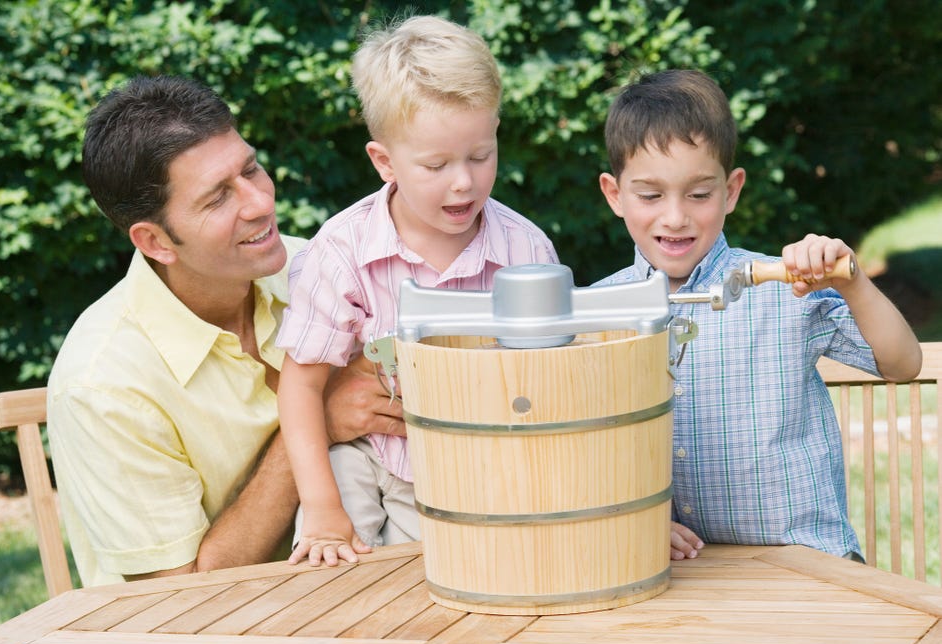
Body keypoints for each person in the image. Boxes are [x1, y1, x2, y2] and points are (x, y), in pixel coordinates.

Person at [47, 75, 403, 586]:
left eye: (251, 169)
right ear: (155, 240)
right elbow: (178, 597)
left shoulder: (325, 271)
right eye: (217, 198)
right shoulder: (100, 386)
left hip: (357, 589)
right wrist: (314, 419)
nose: (259, 202)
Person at [593, 69, 922, 562]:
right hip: (684, 572)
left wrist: (851, 280)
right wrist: (631, 516)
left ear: (732, 190)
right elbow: (580, 452)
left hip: (806, 562)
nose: (676, 216)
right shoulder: (597, 312)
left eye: (699, 194)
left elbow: (903, 364)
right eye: (651, 194)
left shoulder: (783, 286)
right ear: (615, 195)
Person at [276, 15, 559, 567]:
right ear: (384, 162)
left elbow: (552, 385)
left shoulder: (526, 252)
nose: (465, 181)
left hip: (471, 465)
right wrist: (321, 508)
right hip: (359, 457)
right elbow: (301, 389)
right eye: (436, 165)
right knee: (329, 568)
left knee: (427, 585)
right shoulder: (342, 251)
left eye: (481, 155)